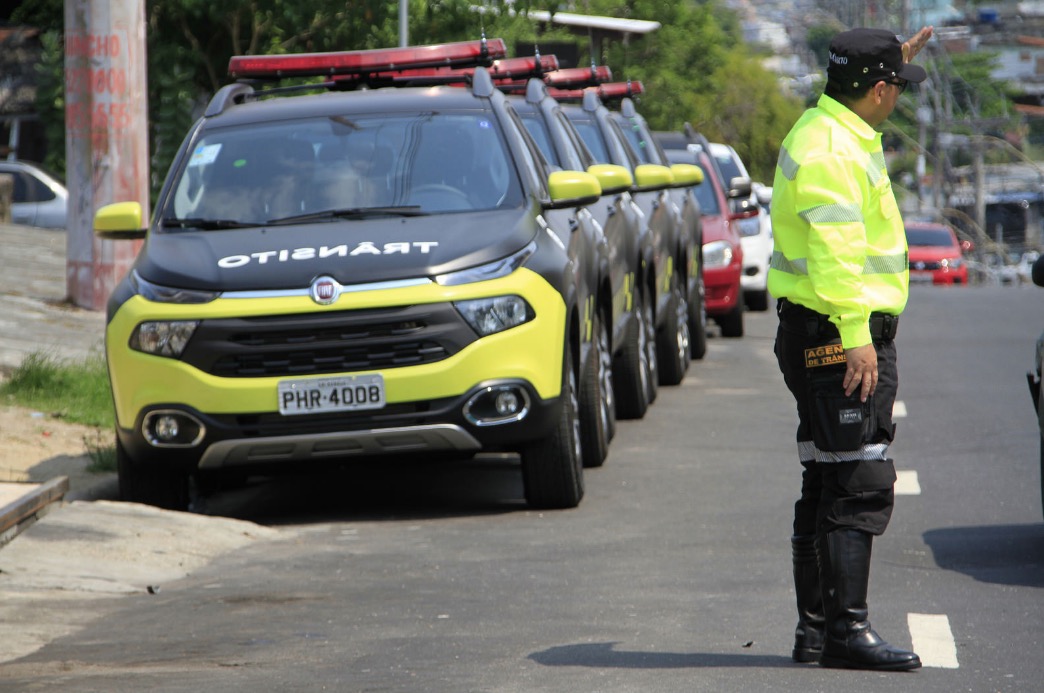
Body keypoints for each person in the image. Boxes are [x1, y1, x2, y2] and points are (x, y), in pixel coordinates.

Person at [768, 25, 933, 671]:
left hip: (814, 328)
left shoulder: (827, 127)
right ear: (875, 90)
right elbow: (838, 254)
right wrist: (857, 339)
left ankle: (817, 633)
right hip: (839, 331)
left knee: (827, 475)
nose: (898, 96)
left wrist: (891, 61)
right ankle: (846, 632)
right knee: (859, 478)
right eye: (893, 85)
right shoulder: (834, 150)